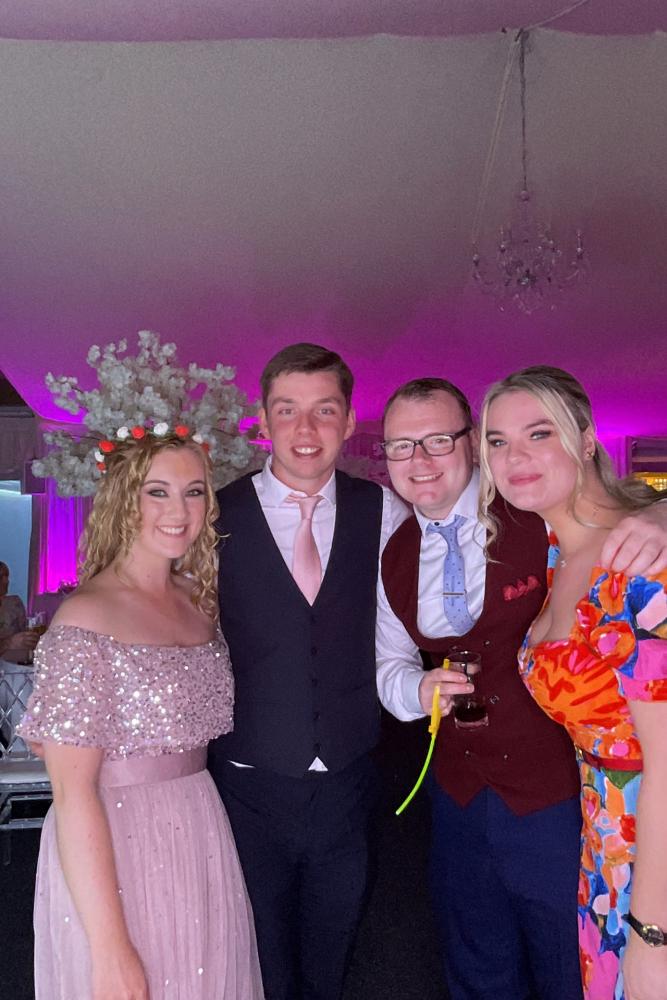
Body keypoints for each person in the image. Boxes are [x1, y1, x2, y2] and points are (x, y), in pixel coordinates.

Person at [375, 377, 667, 1000]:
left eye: (438, 439)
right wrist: (417, 688)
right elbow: (389, 663)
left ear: (467, 444)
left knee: (568, 969)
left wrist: (660, 512)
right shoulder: (398, 551)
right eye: (401, 445)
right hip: (466, 794)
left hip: (569, 803)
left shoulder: (542, 518)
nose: (420, 460)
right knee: (480, 965)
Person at [19, 428, 264, 1000]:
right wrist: (110, 947)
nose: (179, 511)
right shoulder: (85, 618)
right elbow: (72, 793)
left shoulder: (199, 602)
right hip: (114, 845)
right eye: (158, 492)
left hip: (198, 829)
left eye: (194, 491)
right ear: (124, 499)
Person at [208, 343, 408, 1000]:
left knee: (333, 952)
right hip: (247, 781)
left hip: (347, 781)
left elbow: (397, 638)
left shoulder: (385, 511)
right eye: (287, 409)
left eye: (323, 410)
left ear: (348, 421)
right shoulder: (213, 515)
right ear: (263, 419)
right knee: (258, 958)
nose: (304, 428)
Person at [478, 366, 667, 1000]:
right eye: (498, 441)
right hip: (604, 844)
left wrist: (652, 934)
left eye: (539, 433)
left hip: (652, 861)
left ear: (586, 440)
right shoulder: (560, 552)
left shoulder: (641, 566)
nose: (515, 457)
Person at [0, 560, 39, 658]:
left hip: (13, 661)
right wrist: (8, 643)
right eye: (1, 577)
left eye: (7, 576)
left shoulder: (14, 603)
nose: (6, 581)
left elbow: (25, 634)